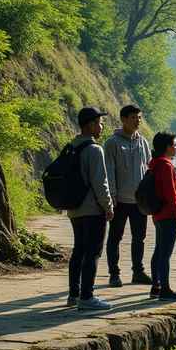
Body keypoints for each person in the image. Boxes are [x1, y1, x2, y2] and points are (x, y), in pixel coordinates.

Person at [67, 107, 115, 310]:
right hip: (92, 210)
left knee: (78, 250)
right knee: (93, 252)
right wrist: (109, 206)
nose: (101, 126)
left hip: (75, 208)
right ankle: (87, 297)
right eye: (98, 123)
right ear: (89, 125)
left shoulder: (71, 146)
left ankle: (73, 294)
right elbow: (100, 183)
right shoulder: (95, 149)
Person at [103, 104, 152, 287]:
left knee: (139, 237)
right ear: (123, 119)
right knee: (115, 237)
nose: (137, 121)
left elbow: (148, 169)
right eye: (133, 118)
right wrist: (111, 197)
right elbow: (108, 171)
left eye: (139, 117)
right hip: (120, 200)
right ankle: (114, 274)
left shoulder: (143, 142)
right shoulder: (112, 143)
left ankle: (138, 272)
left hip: (139, 201)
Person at [148, 132, 176, 301]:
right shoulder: (166, 165)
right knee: (165, 253)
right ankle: (165, 289)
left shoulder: (154, 163)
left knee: (159, 251)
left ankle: (156, 286)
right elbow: (171, 193)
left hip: (158, 213)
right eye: (175, 145)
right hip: (168, 214)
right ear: (168, 147)